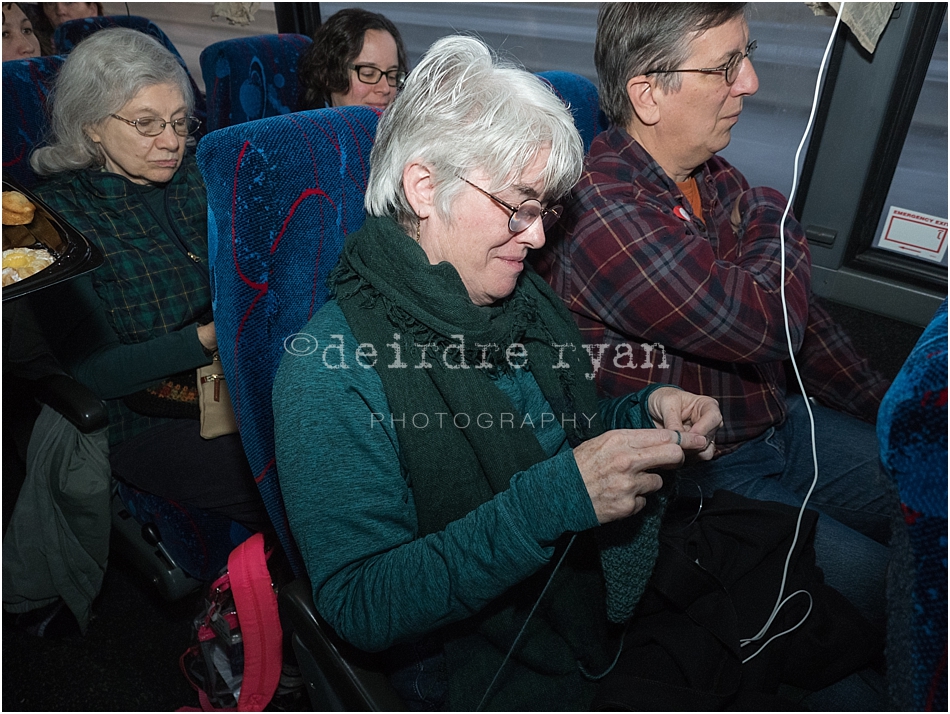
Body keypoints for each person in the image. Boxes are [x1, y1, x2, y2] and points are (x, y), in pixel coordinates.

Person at [274, 35, 883, 712]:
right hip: (490, 653)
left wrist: (642, 413)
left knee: (835, 642)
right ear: (424, 187)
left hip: (589, 583)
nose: (536, 236)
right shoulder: (328, 369)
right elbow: (361, 602)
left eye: (545, 210)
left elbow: (563, 438)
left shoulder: (517, 298)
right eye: (518, 206)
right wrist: (556, 500)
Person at [535, 3, 897, 627]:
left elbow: (805, 328)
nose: (750, 82)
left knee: (932, 480)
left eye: (747, 56)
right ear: (647, 94)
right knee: (880, 585)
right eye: (727, 67)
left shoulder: (710, 176)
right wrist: (775, 213)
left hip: (776, 423)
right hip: (702, 473)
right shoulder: (599, 210)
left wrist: (893, 413)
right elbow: (765, 322)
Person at [27, 28, 268, 533]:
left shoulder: (203, 175)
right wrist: (205, 338)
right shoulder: (53, 221)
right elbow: (93, 372)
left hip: (244, 375)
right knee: (288, 482)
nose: (171, 142)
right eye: (147, 124)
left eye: (181, 122)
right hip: (147, 419)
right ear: (92, 125)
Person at [297, 7, 408, 111]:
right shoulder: (305, 130)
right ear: (329, 75)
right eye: (368, 74)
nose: (385, 89)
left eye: (392, 76)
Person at [31, 1, 101, 54]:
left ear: (92, 9)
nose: (60, 11)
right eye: (50, 3)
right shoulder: (34, 49)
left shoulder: (107, 45)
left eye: (69, 2)